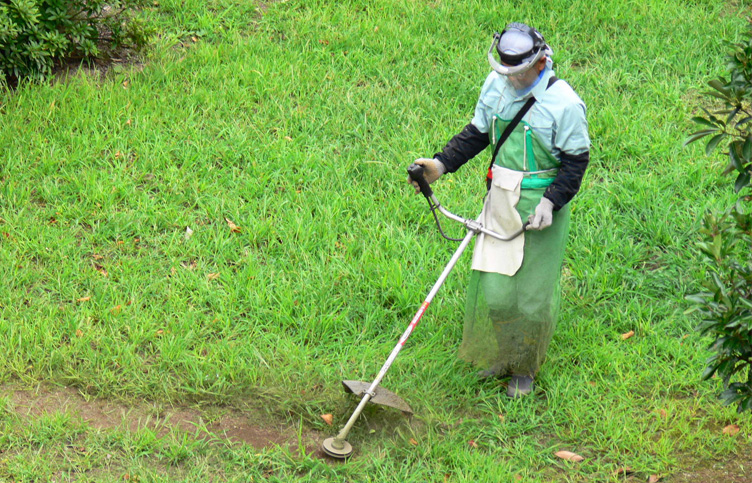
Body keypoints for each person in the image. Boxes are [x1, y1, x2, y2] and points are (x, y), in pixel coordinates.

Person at [408, 23, 590, 398]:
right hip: (500, 199)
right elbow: (477, 134)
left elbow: (576, 162)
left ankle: (524, 369)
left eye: (517, 72)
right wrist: (440, 165)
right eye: (504, 71)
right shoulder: (496, 85)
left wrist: (551, 202)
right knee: (496, 287)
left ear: (541, 63)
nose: (509, 79)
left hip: (540, 207)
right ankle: (506, 356)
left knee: (532, 296)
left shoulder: (565, 105)